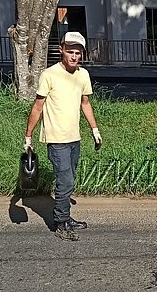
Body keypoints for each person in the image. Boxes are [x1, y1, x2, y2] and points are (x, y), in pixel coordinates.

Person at [24, 31, 102, 241]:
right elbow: (38, 106)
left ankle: (66, 217)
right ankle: (60, 223)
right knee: (65, 180)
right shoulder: (49, 74)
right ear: (61, 50)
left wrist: (95, 130)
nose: (74, 56)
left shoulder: (83, 75)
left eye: (78, 53)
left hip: (74, 137)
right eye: (70, 52)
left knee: (70, 179)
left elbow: (85, 104)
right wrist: (28, 136)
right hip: (56, 139)